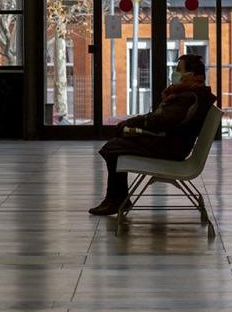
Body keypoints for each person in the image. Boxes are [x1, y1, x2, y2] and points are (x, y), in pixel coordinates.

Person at [88, 54, 218, 216]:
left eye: (179, 70)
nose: (174, 73)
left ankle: (116, 200)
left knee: (113, 147)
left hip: (170, 147)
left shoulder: (190, 97)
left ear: (190, 75)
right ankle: (117, 199)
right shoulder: (192, 93)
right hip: (171, 142)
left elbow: (162, 120)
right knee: (118, 142)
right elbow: (163, 119)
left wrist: (133, 122)